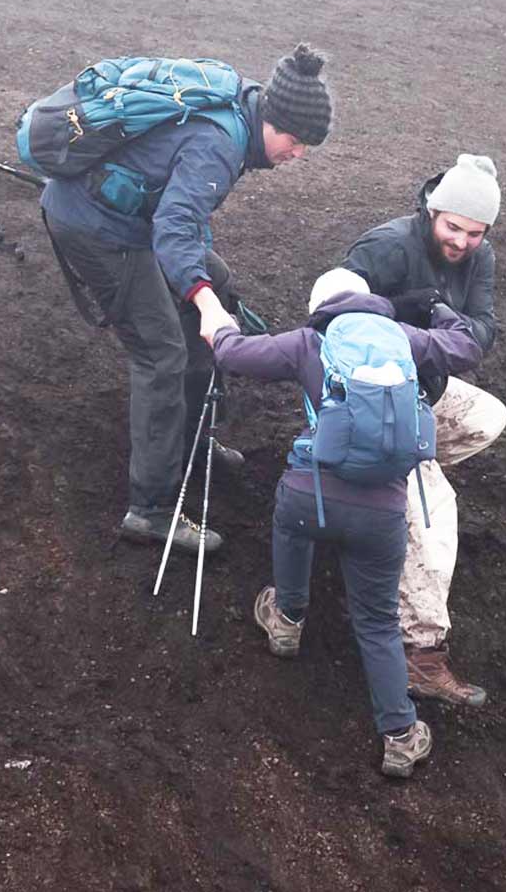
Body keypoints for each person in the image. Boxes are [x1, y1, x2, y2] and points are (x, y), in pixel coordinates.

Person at [41, 45, 334, 554]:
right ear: (271, 118)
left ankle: (193, 440)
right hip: (96, 227)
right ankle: (150, 510)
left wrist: (208, 286)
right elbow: (175, 226)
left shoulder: (238, 115)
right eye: (295, 139)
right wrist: (203, 300)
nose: (297, 153)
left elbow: (181, 213)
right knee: (162, 354)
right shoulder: (220, 144)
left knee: (216, 284)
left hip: (128, 217)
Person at [195, 269, 483, 777]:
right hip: (384, 514)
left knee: (290, 523)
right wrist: (437, 307)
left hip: (312, 496)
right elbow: (466, 346)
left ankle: (287, 620)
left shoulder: (308, 343)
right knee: (377, 623)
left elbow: (233, 353)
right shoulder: (407, 340)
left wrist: (214, 320)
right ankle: (400, 737)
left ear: (319, 305)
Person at [341, 153, 506, 707]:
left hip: (425, 391)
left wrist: (444, 322)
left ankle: (380, 491)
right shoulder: (386, 247)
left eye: (475, 233)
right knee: (436, 517)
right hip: (368, 403)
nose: (462, 242)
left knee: (488, 417)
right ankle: (421, 655)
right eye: (453, 227)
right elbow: (332, 322)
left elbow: (482, 331)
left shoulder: (479, 258)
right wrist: (397, 312)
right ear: (432, 210)